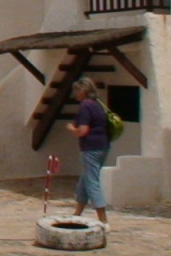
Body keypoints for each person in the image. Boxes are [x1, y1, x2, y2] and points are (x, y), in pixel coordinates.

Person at [66, 77, 109, 230]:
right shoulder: (98, 105)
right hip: (102, 145)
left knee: (92, 182)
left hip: (90, 147)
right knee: (85, 180)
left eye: (76, 91)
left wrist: (72, 129)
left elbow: (83, 130)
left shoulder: (85, 106)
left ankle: (103, 220)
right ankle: (77, 213)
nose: (75, 94)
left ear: (83, 91)